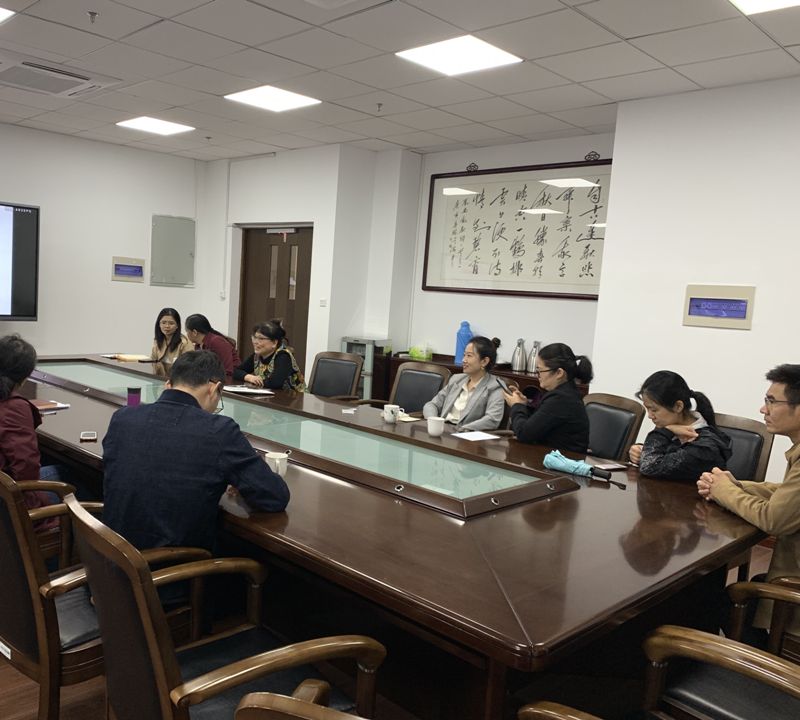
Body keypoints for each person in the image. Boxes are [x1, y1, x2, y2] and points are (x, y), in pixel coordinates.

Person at [102, 350, 290, 552]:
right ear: (214, 388)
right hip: (172, 566)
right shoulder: (219, 431)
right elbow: (274, 497)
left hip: (112, 557)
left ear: (168, 384)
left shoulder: (123, 418)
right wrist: (241, 481)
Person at [698, 364, 800, 639]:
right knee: (740, 590)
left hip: (794, 592)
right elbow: (787, 493)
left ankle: (758, 660)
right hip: (789, 578)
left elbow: (774, 519)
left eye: (771, 401)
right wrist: (736, 486)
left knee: (710, 600)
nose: (763, 409)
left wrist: (724, 491)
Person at [0, 334, 64, 527]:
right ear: (25, 375)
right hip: (12, 506)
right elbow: (26, 469)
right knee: (77, 479)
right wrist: (40, 516)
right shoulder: (14, 407)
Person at [629, 371, 731, 481]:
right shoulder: (671, 426)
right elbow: (657, 456)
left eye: (654, 410)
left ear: (678, 406)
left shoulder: (704, 447)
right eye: (647, 409)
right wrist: (638, 451)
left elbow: (649, 466)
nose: (650, 416)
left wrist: (665, 431)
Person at [502, 342, 592, 453]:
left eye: (540, 371)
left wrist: (516, 405)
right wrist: (523, 405)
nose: (538, 375)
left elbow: (524, 434)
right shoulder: (566, 392)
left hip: (563, 460)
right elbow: (539, 422)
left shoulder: (561, 399)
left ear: (559, 373)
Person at [422, 336, 505, 431]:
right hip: (442, 430)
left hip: (466, 434)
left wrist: (463, 429)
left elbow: (492, 419)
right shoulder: (456, 379)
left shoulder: (495, 386)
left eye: (469, 356)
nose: (463, 360)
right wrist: (434, 421)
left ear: (484, 361)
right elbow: (432, 405)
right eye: (464, 355)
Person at [232, 320, 306, 392]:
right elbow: (236, 371)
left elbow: (275, 383)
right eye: (254, 337)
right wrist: (249, 377)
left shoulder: (283, 356)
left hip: (294, 398)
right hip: (271, 396)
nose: (255, 342)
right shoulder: (257, 356)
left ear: (274, 343)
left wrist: (255, 382)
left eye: (261, 338)